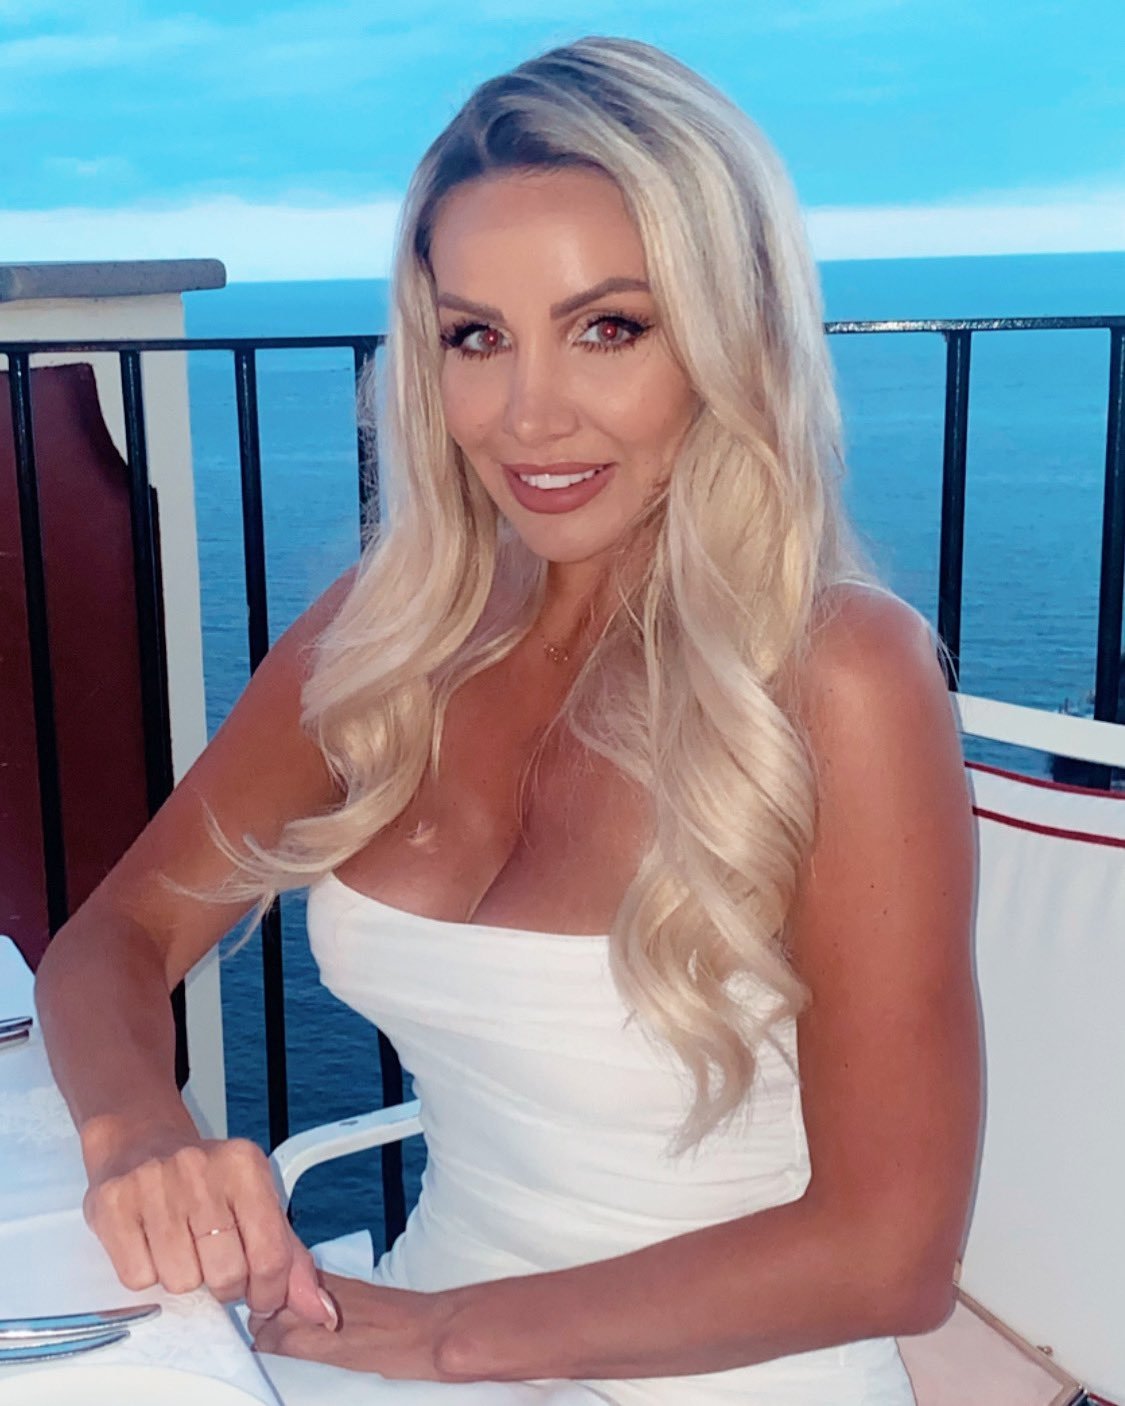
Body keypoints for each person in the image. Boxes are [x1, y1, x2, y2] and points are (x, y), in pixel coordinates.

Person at [35, 34, 980, 1404]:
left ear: (729, 336)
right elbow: (112, 940)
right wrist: (138, 1135)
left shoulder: (840, 674)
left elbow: (889, 1255)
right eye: (475, 337)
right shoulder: (392, 633)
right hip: (407, 1337)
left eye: (610, 327)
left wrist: (436, 1337)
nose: (529, 416)